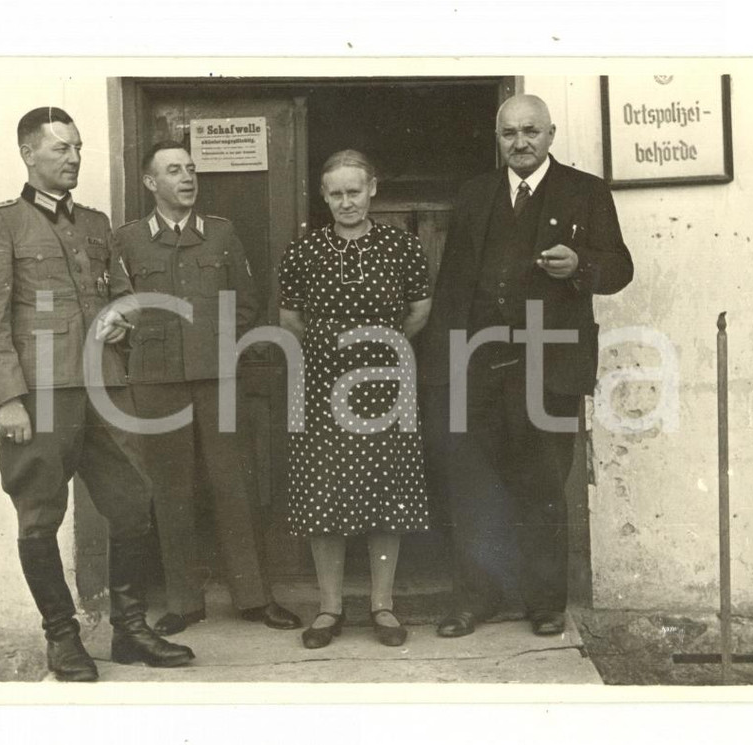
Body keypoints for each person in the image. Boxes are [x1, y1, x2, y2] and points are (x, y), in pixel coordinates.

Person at [0, 108, 196, 682]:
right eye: (61, 149)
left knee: (133, 502)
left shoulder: (95, 224)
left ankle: (130, 630)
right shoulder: (1, 224)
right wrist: (6, 400)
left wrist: (126, 318)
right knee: (40, 515)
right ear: (28, 154)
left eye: (79, 148)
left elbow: (127, 295)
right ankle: (62, 638)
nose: (73, 158)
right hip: (40, 396)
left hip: (106, 389)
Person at [419, 95, 634, 637]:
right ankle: (475, 600)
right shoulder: (474, 194)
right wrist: (441, 367)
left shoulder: (585, 192)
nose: (520, 142)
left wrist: (581, 266)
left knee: (542, 486)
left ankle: (544, 605)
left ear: (551, 134)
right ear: (499, 137)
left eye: (530, 131)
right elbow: (452, 286)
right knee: (473, 488)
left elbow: (620, 267)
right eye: (509, 133)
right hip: (477, 366)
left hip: (550, 366)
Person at [114, 141, 301, 636]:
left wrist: (225, 352)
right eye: (174, 170)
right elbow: (118, 308)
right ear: (152, 183)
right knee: (171, 491)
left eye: (191, 169)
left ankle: (255, 597)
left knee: (236, 485)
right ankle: (183, 601)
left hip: (219, 379)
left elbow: (247, 301)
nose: (187, 177)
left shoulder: (220, 234)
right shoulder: (128, 241)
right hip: (156, 383)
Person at [278, 150, 432, 648]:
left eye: (355, 191)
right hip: (322, 385)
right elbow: (290, 320)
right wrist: (334, 351)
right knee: (325, 491)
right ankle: (329, 608)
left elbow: (419, 312)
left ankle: (382, 605)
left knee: (386, 488)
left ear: (372, 190)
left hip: (388, 382)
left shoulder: (402, 247)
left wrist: (376, 349)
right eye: (336, 193)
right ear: (324, 196)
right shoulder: (303, 251)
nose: (346, 201)